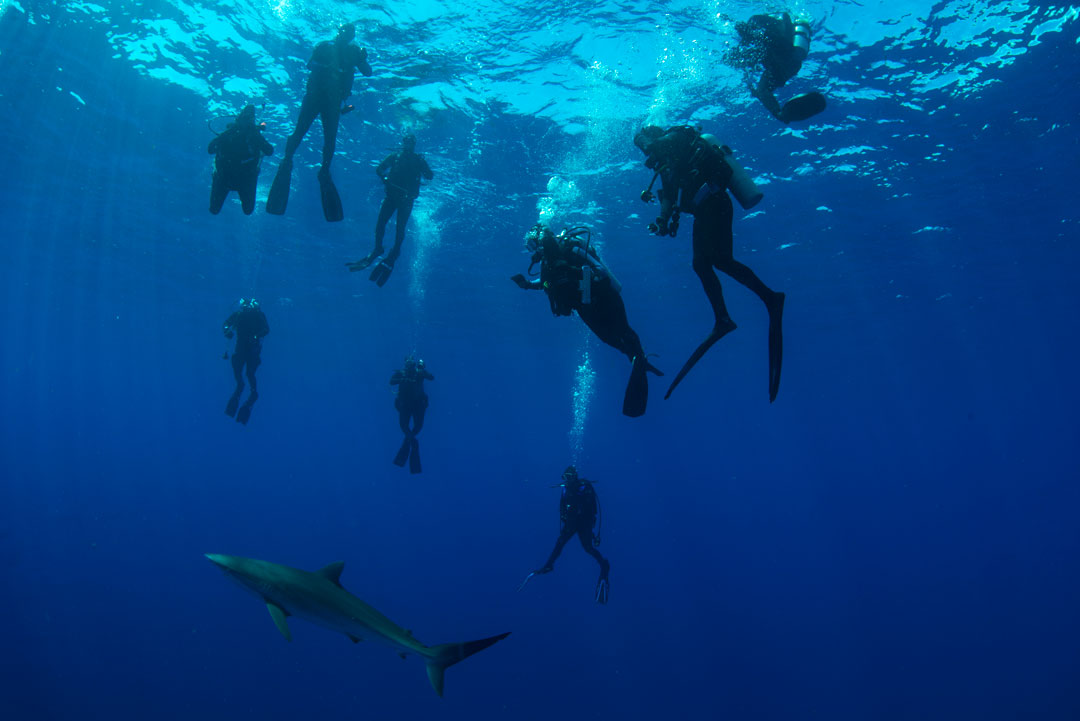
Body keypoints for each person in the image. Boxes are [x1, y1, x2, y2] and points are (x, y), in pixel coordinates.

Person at [633, 124, 785, 402]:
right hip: (705, 211)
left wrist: (646, 141)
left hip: (717, 203)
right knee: (705, 264)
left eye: (644, 144)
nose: (644, 151)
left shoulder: (677, 140)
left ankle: (763, 302)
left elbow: (668, 145)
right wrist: (661, 221)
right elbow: (668, 198)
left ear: (654, 137)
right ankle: (727, 317)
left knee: (718, 260)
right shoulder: (667, 164)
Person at [510, 224, 662, 417]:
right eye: (533, 248)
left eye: (535, 246)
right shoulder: (546, 264)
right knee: (611, 338)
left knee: (622, 331)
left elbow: (600, 269)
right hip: (584, 307)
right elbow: (545, 282)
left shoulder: (572, 249)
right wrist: (526, 285)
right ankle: (637, 359)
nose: (536, 251)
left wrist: (581, 276)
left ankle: (638, 357)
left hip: (604, 297)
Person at [265, 23, 373, 221]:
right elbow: (310, 65)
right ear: (340, 32)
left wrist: (363, 59)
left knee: (329, 140)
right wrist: (332, 66)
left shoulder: (354, 52)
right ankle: (288, 158)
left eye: (351, 34)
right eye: (345, 32)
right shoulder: (325, 46)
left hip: (331, 101)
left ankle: (323, 169)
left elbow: (367, 72)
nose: (347, 36)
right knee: (300, 131)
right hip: (316, 97)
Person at [345, 134, 434, 287]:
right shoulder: (395, 156)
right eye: (406, 142)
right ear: (403, 143)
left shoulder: (418, 160)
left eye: (411, 143)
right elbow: (379, 169)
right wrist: (384, 178)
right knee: (380, 224)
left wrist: (423, 166)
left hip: (406, 200)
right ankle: (377, 249)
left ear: (413, 144)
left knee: (400, 229)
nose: (408, 145)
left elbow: (430, 176)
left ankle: (394, 253)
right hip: (391, 197)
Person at [519, 466, 610, 605]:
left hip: (584, 523)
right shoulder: (565, 489)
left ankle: (604, 565)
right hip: (572, 523)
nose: (567, 480)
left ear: (574, 476)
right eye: (565, 477)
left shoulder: (584, 487)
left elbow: (594, 510)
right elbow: (562, 508)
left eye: (569, 477)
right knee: (560, 543)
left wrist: (591, 528)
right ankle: (548, 565)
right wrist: (566, 518)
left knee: (588, 549)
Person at [725, 12, 825, 124]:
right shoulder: (764, 48)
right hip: (785, 61)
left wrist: (777, 112)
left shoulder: (765, 43)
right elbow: (762, 90)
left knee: (751, 53)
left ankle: (782, 113)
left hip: (784, 58)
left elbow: (763, 90)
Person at [207, 105, 274, 215]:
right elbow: (269, 151)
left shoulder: (249, 134)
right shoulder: (238, 133)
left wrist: (255, 133)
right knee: (246, 210)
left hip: (232, 178)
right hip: (236, 179)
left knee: (217, 210)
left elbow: (210, 149)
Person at [223, 298, 270, 425]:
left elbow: (266, 329)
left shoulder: (257, 315)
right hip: (243, 350)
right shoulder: (239, 315)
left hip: (252, 351)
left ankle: (252, 392)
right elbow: (226, 324)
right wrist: (226, 331)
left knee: (249, 373)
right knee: (242, 372)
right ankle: (245, 389)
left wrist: (255, 336)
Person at [389, 355, 433, 474]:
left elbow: (431, 377)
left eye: (411, 362)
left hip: (418, 405)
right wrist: (402, 379)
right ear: (405, 363)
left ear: (414, 363)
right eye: (407, 361)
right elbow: (391, 381)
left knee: (417, 427)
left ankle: (410, 439)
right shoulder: (401, 373)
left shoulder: (419, 372)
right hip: (405, 405)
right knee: (404, 426)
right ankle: (411, 440)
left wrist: (422, 370)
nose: (409, 364)